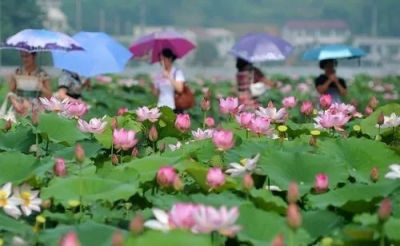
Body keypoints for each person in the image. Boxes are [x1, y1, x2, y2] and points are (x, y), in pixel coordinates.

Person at [8, 51, 52, 117]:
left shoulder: (42, 74)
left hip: (35, 108)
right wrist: (15, 103)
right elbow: (10, 93)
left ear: (34, 56)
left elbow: (50, 95)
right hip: (19, 107)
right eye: (22, 56)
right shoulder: (17, 72)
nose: (24, 59)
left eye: (27, 56)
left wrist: (42, 88)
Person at [150, 48, 185, 114]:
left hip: (174, 107)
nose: (161, 62)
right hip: (161, 107)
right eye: (160, 60)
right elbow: (156, 94)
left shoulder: (177, 72)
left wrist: (168, 77)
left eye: (163, 59)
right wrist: (152, 86)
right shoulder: (159, 75)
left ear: (170, 59)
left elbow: (180, 89)